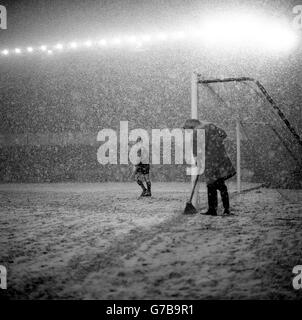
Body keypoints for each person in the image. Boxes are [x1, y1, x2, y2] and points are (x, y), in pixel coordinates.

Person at [183, 119, 236, 216]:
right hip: (220, 159)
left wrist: (198, 161)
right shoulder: (211, 126)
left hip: (210, 162)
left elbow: (196, 151)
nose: (187, 132)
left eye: (187, 129)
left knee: (211, 186)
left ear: (191, 127)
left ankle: (213, 209)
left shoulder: (196, 133)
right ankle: (226, 208)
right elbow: (224, 134)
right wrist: (214, 143)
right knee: (221, 185)